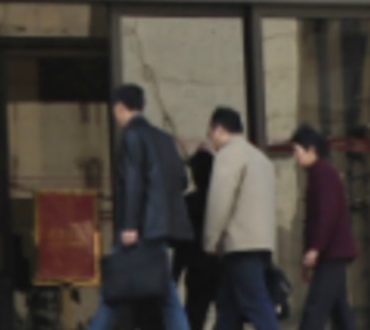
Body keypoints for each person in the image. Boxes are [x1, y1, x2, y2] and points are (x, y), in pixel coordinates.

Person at [90, 85, 194, 330]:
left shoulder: (132, 137)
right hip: (160, 229)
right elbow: (181, 180)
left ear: (120, 107)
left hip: (139, 229)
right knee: (167, 295)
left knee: (112, 292)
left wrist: (129, 226)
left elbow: (133, 183)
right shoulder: (164, 139)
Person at [202, 108, 280, 330]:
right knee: (228, 309)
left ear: (219, 130)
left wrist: (211, 240)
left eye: (210, 135)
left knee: (257, 306)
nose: (211, 141)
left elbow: (220, 202)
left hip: (240, 244)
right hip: (262, 243)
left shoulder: (228, 155)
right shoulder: (261, 159)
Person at [292, 126, 358, 330]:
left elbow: (326, 215)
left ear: (311, 149)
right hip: (333, 251)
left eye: (297, 151)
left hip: (331, 252)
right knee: (339, 310)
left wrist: (315, 248)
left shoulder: (322, 174)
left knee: (316, 309)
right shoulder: (321, 173)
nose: (295, 158)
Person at [174, 144, 221, 329]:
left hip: (196, 272)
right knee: (227, 318)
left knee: (194, 320)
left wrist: (174, 275)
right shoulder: (220, 202)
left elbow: (181, 245)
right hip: (220, 268)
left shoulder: (188, 203)